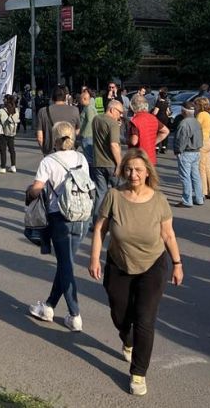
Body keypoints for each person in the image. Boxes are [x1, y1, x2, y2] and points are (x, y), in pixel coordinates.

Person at [89, 148, 183, 397]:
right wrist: (94, 258)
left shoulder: (159, 200)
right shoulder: (113, 195)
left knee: (145, 319)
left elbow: (168, 234)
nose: (133, 174)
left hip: (153, 265)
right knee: (120, 314)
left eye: (138, 170)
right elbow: (100, 229)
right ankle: (127, 338)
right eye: (129, 169)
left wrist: (177, 263)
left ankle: (138, 373)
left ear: (147, 172)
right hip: (118, 264)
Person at [27, 121, 91, 332]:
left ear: (54, 139)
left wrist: (30, 191)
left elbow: (37, 189)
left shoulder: (49, 161)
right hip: (81, 216)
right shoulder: (81, 158)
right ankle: (49, 306)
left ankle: (75, 314)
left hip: (59, 217)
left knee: (66, 265)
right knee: (66, 263)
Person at [91, 100, 124, 221]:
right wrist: (120, 164)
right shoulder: (113, 124)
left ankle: (97, 222)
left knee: (101, 194)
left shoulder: (96, 119)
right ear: (112, 109)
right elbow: (114, 145)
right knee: (121, 193)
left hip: (98, 162)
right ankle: (121, 221)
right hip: (111, 164)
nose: (120, 115)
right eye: (119, 112)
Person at [173, 103, 204, 208]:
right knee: (195, 175)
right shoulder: (196, 122)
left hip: (186, 152)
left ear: (184, 111)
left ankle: (187, 200)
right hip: (196, 151)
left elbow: (181, 140)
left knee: (185, 177)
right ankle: (199, 198)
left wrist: (177, 150)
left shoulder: (184, 123)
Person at [36, 87, 80, 156]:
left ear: (52, 98)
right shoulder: (74, 110)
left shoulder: (43, 112)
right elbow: (77, 131)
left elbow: (40, 137)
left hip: (50, 151)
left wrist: (44, 150)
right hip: (69, 150)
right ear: (65, 98)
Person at [127, 94, 168, 167]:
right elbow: (165, 131)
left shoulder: (135, 121)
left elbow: (134, 141)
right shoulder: (153, 118)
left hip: (138, 157)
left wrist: (125, 139)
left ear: (133, 106)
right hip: (151, 157)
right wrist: (153, 142)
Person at [193, 97, 210, 200]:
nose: (194, 106)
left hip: (202, 142)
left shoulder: (201, 115)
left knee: (201, 168)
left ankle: (203, 191)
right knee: (207, 167)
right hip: (208, 142)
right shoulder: (208, 115)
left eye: (196, 105)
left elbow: (195, 128)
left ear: (200, 105)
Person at [0, 95, 19, 173]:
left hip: (2, 132)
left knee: (3, 150)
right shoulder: (16, 110)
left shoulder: (1, 110)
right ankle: (13, 166)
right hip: (12, 132)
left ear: (5, 101)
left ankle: (3, 167)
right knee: (12, 149)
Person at [78, 88, 97, 165]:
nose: (79, 100)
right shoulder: (86, 107)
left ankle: (91, 173)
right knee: (88, 156)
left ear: (85, 99)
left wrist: (83, 133)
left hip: (88, 136)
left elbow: (90, 121)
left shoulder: (89, 108)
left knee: (89, 158)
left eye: (80, 99)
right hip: (87, 136)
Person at [151, 88, 171, 155]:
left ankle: (156, 147)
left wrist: (151, 112)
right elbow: (168, 112)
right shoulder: (166, 103)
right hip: (165, 118)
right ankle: (164, 147)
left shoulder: (158, 103)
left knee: (157, 132)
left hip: (159, 118)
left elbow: (155, 112)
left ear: (160, 95)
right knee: (164, 131)